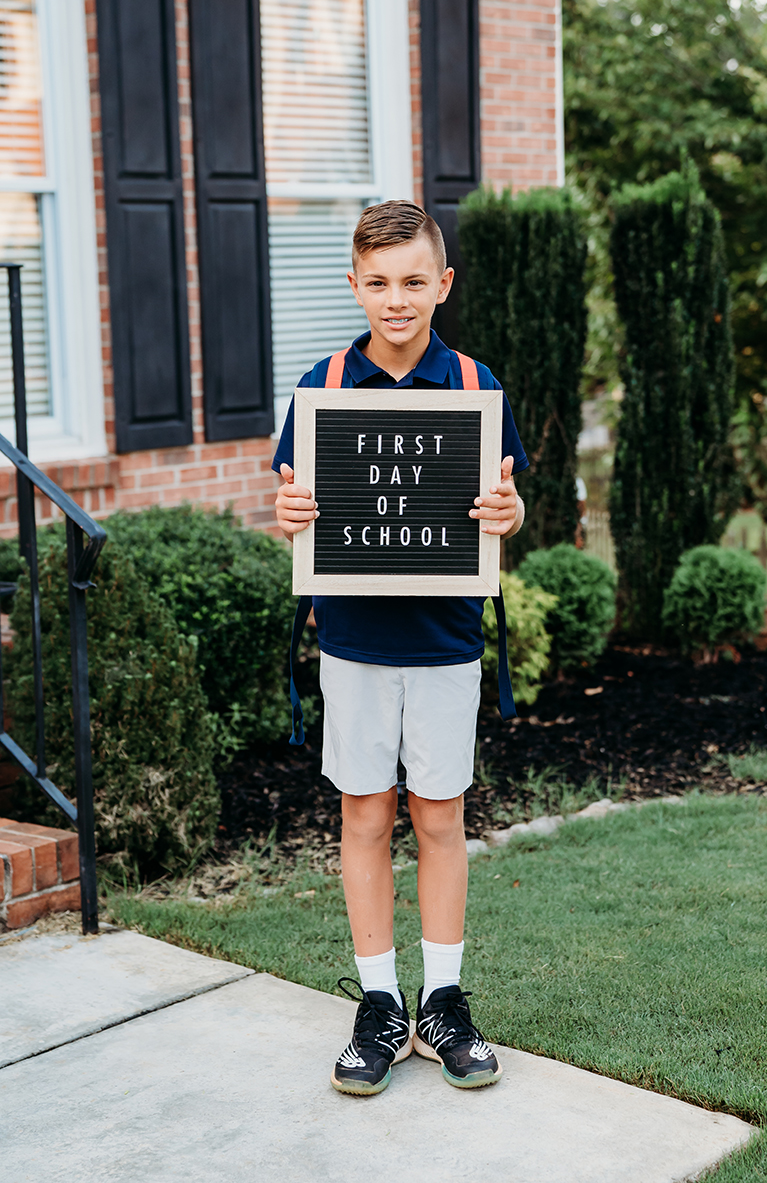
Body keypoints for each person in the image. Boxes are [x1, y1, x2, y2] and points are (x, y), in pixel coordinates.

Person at [272, 200, 528, 1096]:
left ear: (442, 285)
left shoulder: (472, 385)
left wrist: (511, 513)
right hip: (352, 640)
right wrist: (288, 514)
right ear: (355, 286)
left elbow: (507, 502)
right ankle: (380, 1005)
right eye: (378, 283)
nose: (396, 299)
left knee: (440, 817)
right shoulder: (323, 384)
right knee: (365, 817)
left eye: (414, 281)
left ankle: (444, 1001)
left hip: (447, 640)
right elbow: (292, 506)